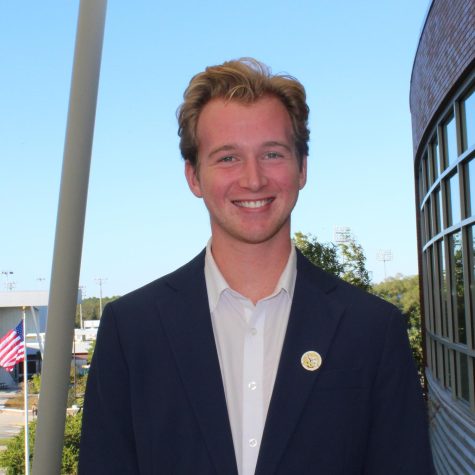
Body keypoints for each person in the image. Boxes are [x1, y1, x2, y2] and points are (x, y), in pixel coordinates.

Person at [79, 58, 434, 474]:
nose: (253, 179)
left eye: (272, 153)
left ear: (302, 169)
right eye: (228, 158)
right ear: (194, 177)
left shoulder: (373, 330)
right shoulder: (131, 330)